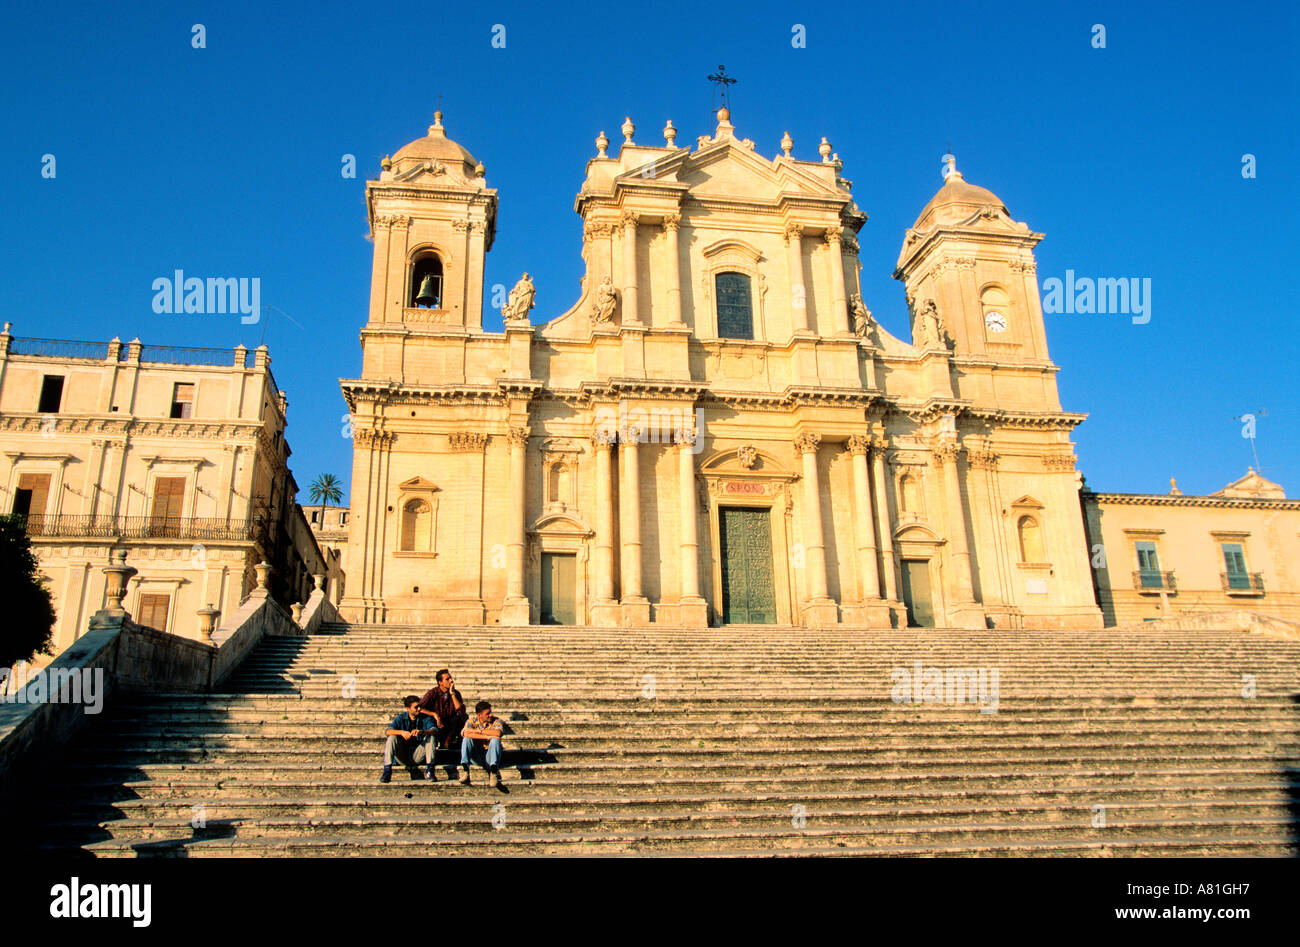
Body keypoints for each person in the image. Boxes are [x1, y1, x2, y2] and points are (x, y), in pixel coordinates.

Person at [381, 695, 438, 782]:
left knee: (431, 737)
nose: (419, 709)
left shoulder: (425, 718)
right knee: (392, 737)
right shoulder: (401, 718)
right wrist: (401, 732)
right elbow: (387, 731)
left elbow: (434, 730)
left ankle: (430, 770)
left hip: (418, 755)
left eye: (419, 706)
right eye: (416, 707)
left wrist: (422, 731)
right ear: (408, 709)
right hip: (403, 755)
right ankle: (387, 770)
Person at [417, 669, 467, 750]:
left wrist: (452, 694)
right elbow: (419, 708)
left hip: (450, 723)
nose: (451, 681)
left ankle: (449, 741)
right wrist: (435, 715)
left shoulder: (456, 693)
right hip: (437, 722)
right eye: (447, 679)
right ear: (440, 682)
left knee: (462, 717)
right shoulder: (432, 693)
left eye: (450, 678)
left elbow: (461, 711)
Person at [459, 700, 505, 787]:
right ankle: (466, 771)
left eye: (490, 712)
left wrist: (478, 731)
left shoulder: (497, 721)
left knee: (495, 740)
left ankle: (493, 773)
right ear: (479, 715)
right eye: (487, 713)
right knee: (466, 739)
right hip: (476, 755)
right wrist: (486, 736)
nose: (490, 715)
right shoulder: (471, 721)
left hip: (490, 755)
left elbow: (498, 733)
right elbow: (465, 733)